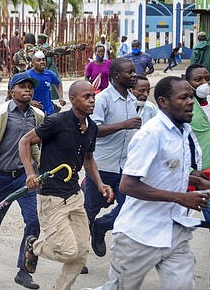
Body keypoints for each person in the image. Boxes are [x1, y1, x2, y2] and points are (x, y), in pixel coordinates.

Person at [92, 76, 210, 290]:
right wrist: (181, 197)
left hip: (175, 231)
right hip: (139, 235)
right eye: (183, 97)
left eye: (191, 97)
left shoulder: (183, 131)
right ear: (163, 102)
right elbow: (127, 185)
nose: (190, 102)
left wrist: (195, 181)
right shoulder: (151, 133)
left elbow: (167, 169)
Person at [18, 81, 114, 290]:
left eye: (93, 96)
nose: (91, 100)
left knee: (81, 253)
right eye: (86, 96)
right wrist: (29, 174)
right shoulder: (56, 121)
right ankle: (34, 246)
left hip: (74, 195)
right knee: (68, 251)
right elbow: (25, 142)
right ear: (72, 100)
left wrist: (100, 184)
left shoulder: (92, 127)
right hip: (52, 197)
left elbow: (88, 158)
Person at [0, 72, 44, 289]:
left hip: (25, 177)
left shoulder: (38, 116)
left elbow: (37, 145)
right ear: (11, 91)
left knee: (33, 221)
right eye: (22, 86)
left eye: (30, 87)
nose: (27, 90)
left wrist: (42, 169)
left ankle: (24, 270)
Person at [84, 58, 142, 258]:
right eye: (130, 72)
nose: (134, 75)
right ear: (117, 76)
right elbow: (93, 130)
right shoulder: (103, 99)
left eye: (134, 72)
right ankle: (78, 257)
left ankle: (101, 228)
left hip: (125, 167)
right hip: (102, 166)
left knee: (130, 208)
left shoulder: (132, 100)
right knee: (88, 211)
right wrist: (123, 125)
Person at [184, 64, 210, 223]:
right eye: (198, 80)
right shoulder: (184, 107)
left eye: (207, 79)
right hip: (191, 175)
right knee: (174, 223)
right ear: (188, 83)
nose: (204, 84)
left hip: (208, 177)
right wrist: (189, 170)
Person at [26, 50, 66, 115]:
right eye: (38, 60)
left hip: (48, 111)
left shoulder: (50, 74)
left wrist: (61, 97)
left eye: (43, 60)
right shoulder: (27, 75)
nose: (42, 62)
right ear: (33, 63)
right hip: (32, 112)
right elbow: (19, 92)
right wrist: (29, 102)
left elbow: (58, 83)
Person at [37, 33, 62, 102]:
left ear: (41, 40)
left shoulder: (45, 47)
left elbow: (48, 60)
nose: (37, 40)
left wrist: (44, 67)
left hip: (50, 68)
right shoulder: (45, 46)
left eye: (38, 39)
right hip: (51, 67)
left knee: (50, 83)